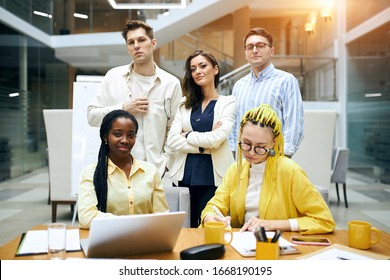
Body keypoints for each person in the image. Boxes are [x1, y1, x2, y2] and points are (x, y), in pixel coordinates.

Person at [201, 104, 335, 234]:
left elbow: (323, 220)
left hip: (277, 245)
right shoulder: (235, 170)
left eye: (260, 147)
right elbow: (213, 207)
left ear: (273, 142)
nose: (251, 153)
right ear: (240, 135)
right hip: (241, 245)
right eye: (246, 144)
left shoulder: (290, 171)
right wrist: (211, 218)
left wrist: (271, 224)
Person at [87, 19, 182, 177]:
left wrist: (167, 163)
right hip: (117, 171)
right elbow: (92, 117)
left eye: (141, 40)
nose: (136, 45)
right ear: (127, 48)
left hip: (155, 172)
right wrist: (124, 108)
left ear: (153, 43)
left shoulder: (171, 84)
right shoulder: (113, 77)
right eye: (131, 42)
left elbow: (174, 129)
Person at [167, 50, 236, 228]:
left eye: (203, 66)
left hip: (213, 177)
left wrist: (188, 135)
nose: (197, 71)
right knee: (183, 229)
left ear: (215, 69)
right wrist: (203, 146)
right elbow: (173, 140)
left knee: (210, 227)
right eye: (193, 68)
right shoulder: (185, 104)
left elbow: (217, 139)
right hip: (184, 175)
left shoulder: (227, 103)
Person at [78, 110, 168, 229]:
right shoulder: (91, 173)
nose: (125, 140)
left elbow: (162, 217)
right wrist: (129, 224)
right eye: (117, 134)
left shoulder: (150, 171)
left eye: (130, 135)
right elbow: (86, 217)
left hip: (145, 241)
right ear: (105, 136)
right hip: (108, 241)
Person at [229, 27, 304, 158]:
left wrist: (284, 157)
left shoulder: (286, 81)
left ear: (272, 51)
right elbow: (234, 124)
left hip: (273, 158)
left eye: (261, 45)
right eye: (250, 47)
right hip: (243, 160)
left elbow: (293, 123)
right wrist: (234, 155)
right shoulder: (239, 85)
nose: (255, 50)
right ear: (245, 52)